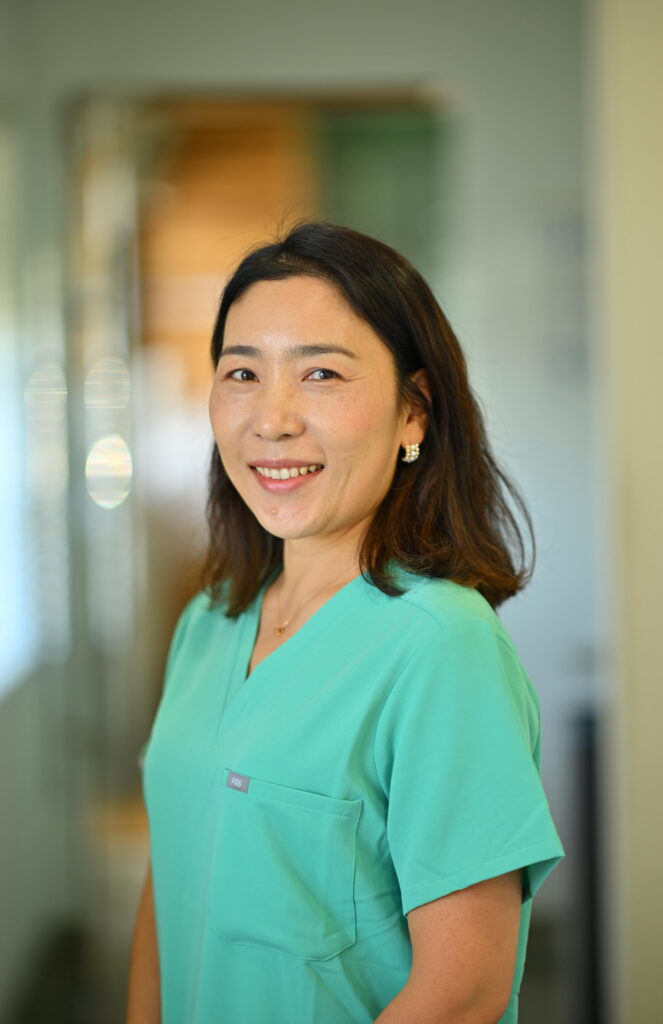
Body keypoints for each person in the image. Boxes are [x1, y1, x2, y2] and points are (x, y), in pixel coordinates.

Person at [126, 221, 565, 1024]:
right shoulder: (209, 622)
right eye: (241, 373)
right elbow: (173, 879)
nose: (272, 418)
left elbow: (462, 993)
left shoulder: (439, 644)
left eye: (321, 373)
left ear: (413, 413)